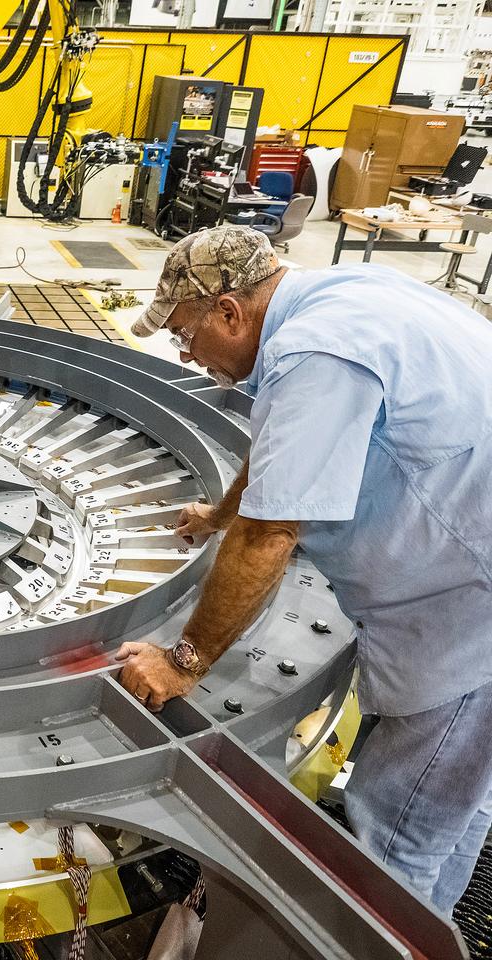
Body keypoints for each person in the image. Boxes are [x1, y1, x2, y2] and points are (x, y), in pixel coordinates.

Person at [115, 224, 492, 914]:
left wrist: (184, 662)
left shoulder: (316, 350)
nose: (187, 356)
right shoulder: (344, 295)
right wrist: (221, 513)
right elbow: (283, 451)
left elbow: (271, 533)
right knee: (457, 807)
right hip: (465, 571)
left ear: (229, 312)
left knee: (397, 830)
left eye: (185, 335)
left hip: (470, 612)